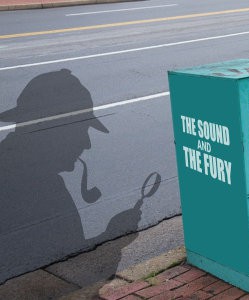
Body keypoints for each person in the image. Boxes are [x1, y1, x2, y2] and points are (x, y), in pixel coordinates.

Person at [0, 69, 143, 288]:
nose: (86, 143)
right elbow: (77, 280)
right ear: (47, 129)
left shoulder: (16, 167)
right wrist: (114, 243)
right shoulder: (40, 189)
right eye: (81, 129)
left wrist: (109, 234)